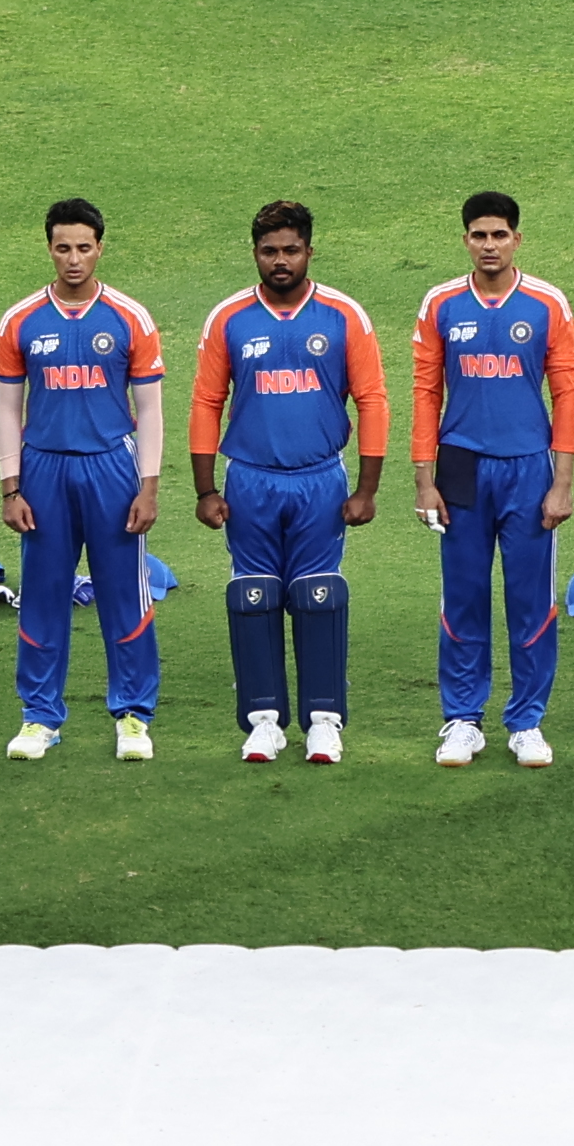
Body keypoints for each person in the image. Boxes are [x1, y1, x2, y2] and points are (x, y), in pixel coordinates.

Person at [190, 200, 386, 764]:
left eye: (290, 250)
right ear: (255, 253)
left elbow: (372, 400)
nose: (280, 261)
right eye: (269, 251)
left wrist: (367, 488)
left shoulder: (344, 315)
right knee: (254, 594)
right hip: (249, 479)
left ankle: (323, 721)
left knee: (317, 594)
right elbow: (206, 401)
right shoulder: (229, 318)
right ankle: (264, 721)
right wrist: (206, 489)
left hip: (320, 480)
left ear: (309, 252)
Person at [0, 198, 167, 763]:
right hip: (43, 468)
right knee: (42, 596)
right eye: (63, 247)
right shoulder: (20, 320)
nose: (73, 259)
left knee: (125, 594)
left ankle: (134, 717)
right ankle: (39, 718)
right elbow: (6, 410)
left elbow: (151, 408)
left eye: (83, 247)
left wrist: (149, 484)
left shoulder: (129, 317)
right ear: (49, 248)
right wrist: (10, 487)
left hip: (112, 469)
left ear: (100, 248)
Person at [411, 191, 574, 767]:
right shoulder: (440, 304)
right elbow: (426, 393)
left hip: (528, 465)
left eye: (499, 235)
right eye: (479, 236)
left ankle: (527, 722)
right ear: (465, 241)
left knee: (531, 599)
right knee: (463, 596)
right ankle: (462, 720)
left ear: (517, 240)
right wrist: (423, 479)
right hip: (459, 465)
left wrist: (562, 481)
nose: (489, 246)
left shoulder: (546, 304)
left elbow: (566, 393)